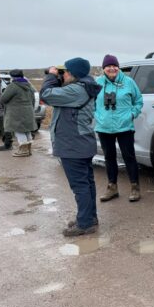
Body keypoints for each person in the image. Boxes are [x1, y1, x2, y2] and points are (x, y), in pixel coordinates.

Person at [40, 58, 102, 237]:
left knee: (80, 186)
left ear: (74, 74)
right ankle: (89, 217)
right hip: (80, 143)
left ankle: (84, 224)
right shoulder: (82, 87)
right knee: (87, 183)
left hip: (73, 145)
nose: (63, 74)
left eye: (65, 72)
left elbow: (46, 94)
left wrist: (51, 77)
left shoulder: (76, 90)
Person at [94, 54, 144, 202]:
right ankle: (112, 187)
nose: (112, 68)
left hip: (125, 127)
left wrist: (132, 114)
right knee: (109, 158)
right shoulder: (98, 83)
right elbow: (91, 103)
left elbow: (138, 101)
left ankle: (135, 188)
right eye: (108, 66)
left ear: (118, 67)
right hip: (104, 127)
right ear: (104, 68)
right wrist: (97, 116)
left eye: (114, 66)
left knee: (129, 157)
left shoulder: (128, 82)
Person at [0, 69, 37, 157]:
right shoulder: (29, 85)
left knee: (19, 131)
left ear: (12, 77)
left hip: (16, 113)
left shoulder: (13, 86)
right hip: (28, 111)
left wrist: (0, 97)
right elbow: (33, 99)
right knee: (26, 130)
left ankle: (23, 151)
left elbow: (3, 99)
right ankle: (28, 150)